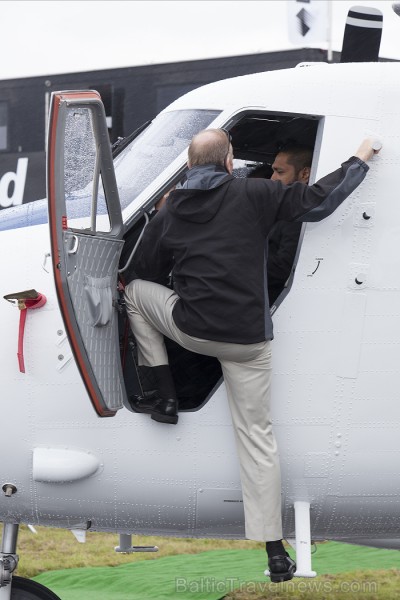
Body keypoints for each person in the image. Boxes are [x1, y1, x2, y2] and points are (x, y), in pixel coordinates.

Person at [123, 129, 380, 582]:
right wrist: (360, 157)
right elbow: (319, 201)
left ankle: (162, 396)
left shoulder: (171, 210)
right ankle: (274, 551)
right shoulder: (257, 193)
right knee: (257, 440)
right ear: (229, 162)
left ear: (188, 166)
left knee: (136, 295)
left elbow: (142, 270)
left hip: (191, 330)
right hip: (246, 343)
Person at [251, 145, 313, 305]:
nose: (272, 179)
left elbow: (282, 269)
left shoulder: (297, 217)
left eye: (280, 172)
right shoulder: (280, 210)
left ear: (305, 174)